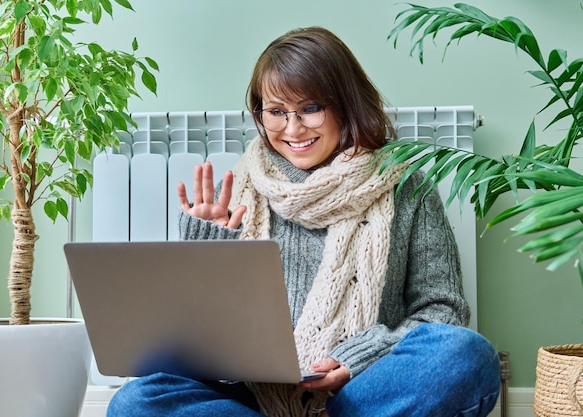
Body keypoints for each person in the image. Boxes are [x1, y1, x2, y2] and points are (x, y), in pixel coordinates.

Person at [107, 26, 501, 417]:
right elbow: (196, 337)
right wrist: (205, 244)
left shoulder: (406, 186)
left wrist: (357, 358)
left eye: (310, 109)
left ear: (347, 105)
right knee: (136, 402)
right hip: (249, 396)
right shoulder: (243, 190)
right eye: (276, 112)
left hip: (363, 389)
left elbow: (443, 310)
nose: (292, 129)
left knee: (466, 356)